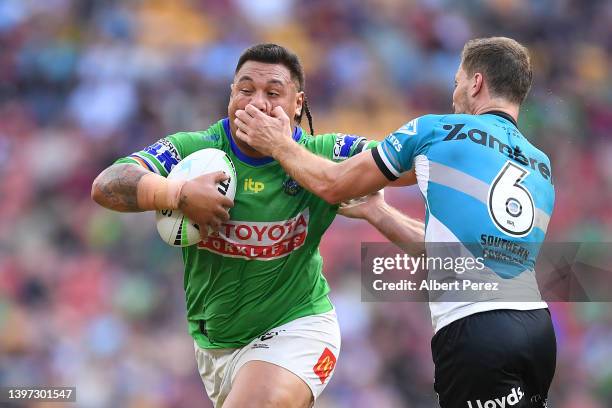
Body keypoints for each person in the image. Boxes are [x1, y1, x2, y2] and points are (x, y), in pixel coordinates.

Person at [91, 43, 424, 408]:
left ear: (298, 104)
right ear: (231, 95)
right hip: (215, 348)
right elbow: (107, 184)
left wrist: (283, 148)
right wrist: (178, 193)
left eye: (273, 93)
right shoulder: (196, 152)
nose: (258, 103)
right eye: (246, 90)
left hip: (299, 328)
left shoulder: (326, 155)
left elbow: (409, 168)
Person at [234, 37, 556, 408]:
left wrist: (277, 143)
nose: (454, 95)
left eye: (457, 82)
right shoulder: (541, 166)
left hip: (476, 331)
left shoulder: (438, 130)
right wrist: (378, 212)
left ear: (476, 83)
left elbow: (333, 183)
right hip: (537, 331)